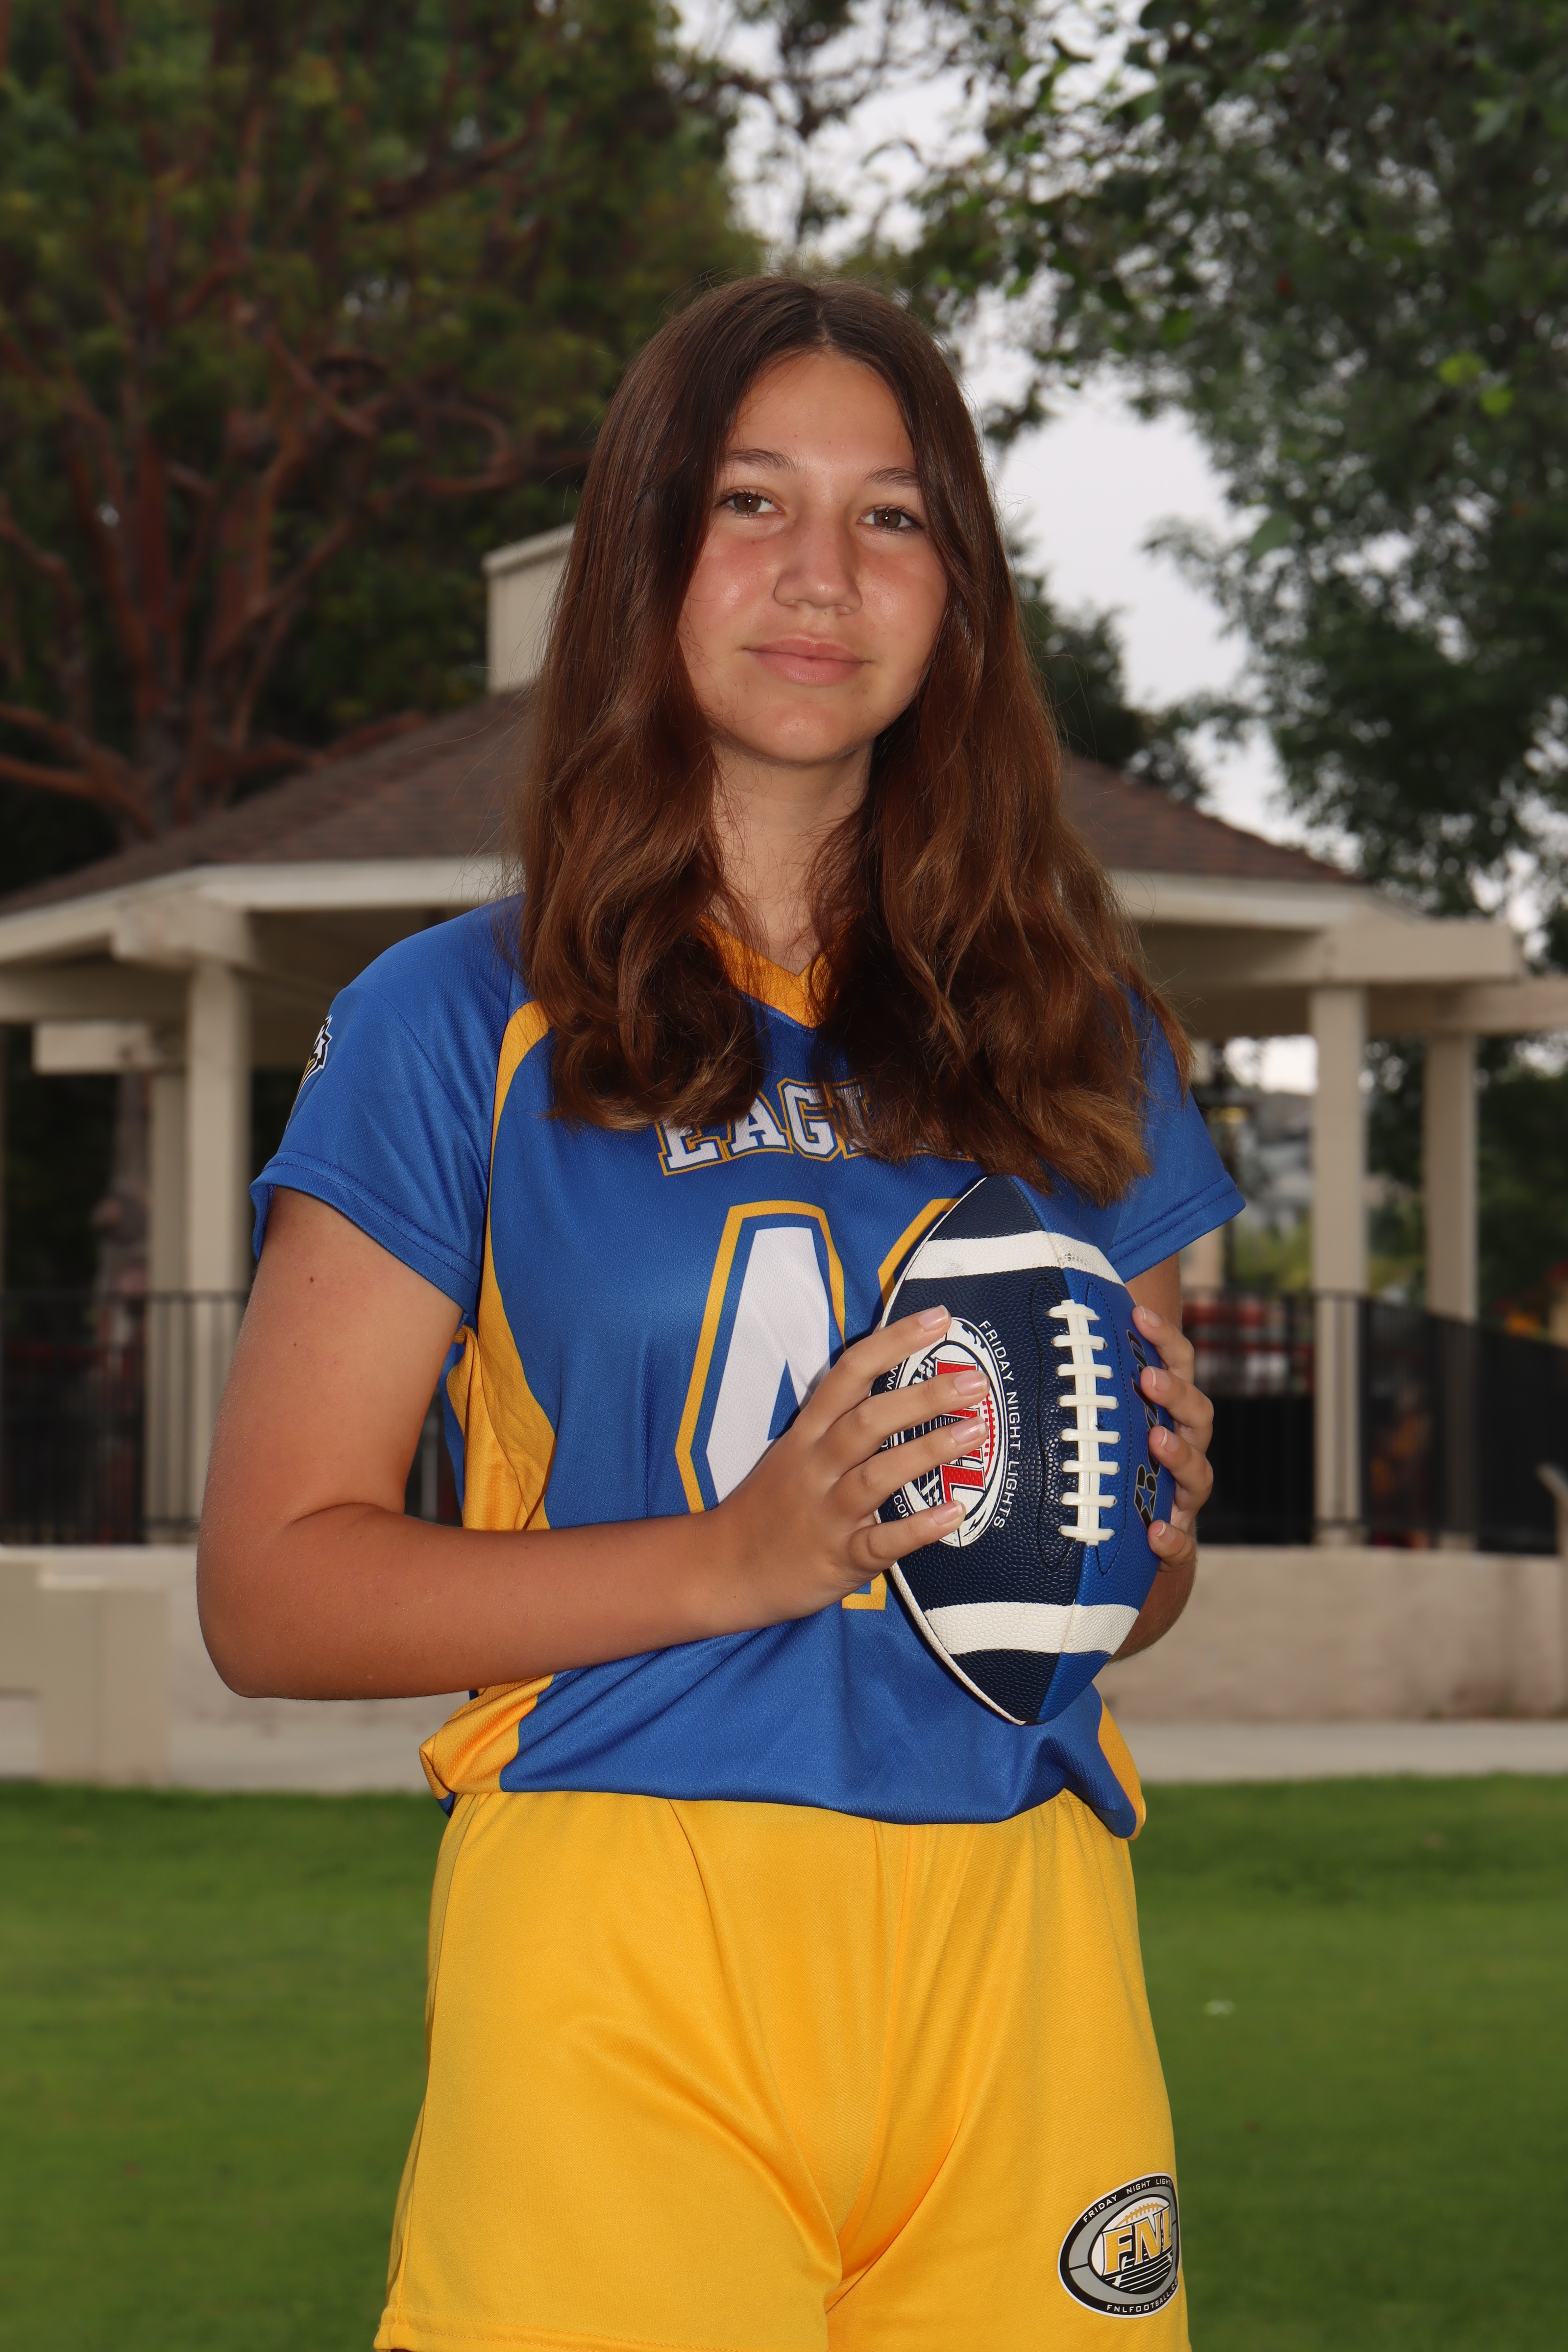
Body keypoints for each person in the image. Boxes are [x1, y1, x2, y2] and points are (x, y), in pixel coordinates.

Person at [200, 275, 1242, 2352]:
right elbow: (272, 1591)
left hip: (1018, 1934)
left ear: (956, 592)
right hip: (629, 1929)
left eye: (889, 516)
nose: (819, 574)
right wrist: (734, 1559)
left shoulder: (1079, 1029)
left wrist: (1151, 1531)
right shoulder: (454, 1019)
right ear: (646, 552)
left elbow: (1119, 1604)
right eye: (752, 501)